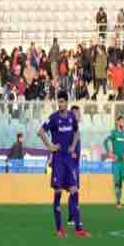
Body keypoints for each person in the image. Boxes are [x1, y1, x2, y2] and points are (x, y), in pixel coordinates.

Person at [38, 91, 89, 237]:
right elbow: (40, 132)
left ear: (67, 102)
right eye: (58, 102)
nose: (60, 104)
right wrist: (50, 146)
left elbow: (77, 132)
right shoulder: (54, 118)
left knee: (74, 191)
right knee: (58, 192)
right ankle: (59, 229)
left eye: (62, 102)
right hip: (58, 161)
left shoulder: (72, 117)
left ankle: (78, 228)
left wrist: (73, 146)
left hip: (69, 162)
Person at [104, 115, 124, 209]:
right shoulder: (114, 133)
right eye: (121, 121)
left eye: (123, 121)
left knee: (120, 182)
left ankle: (119, 202)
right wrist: (110, 153)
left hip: (123, 161)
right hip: (116, 161)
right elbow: (105, 141)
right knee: (116, 181)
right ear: (117, 122)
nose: (122, 123)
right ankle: (118, 202)